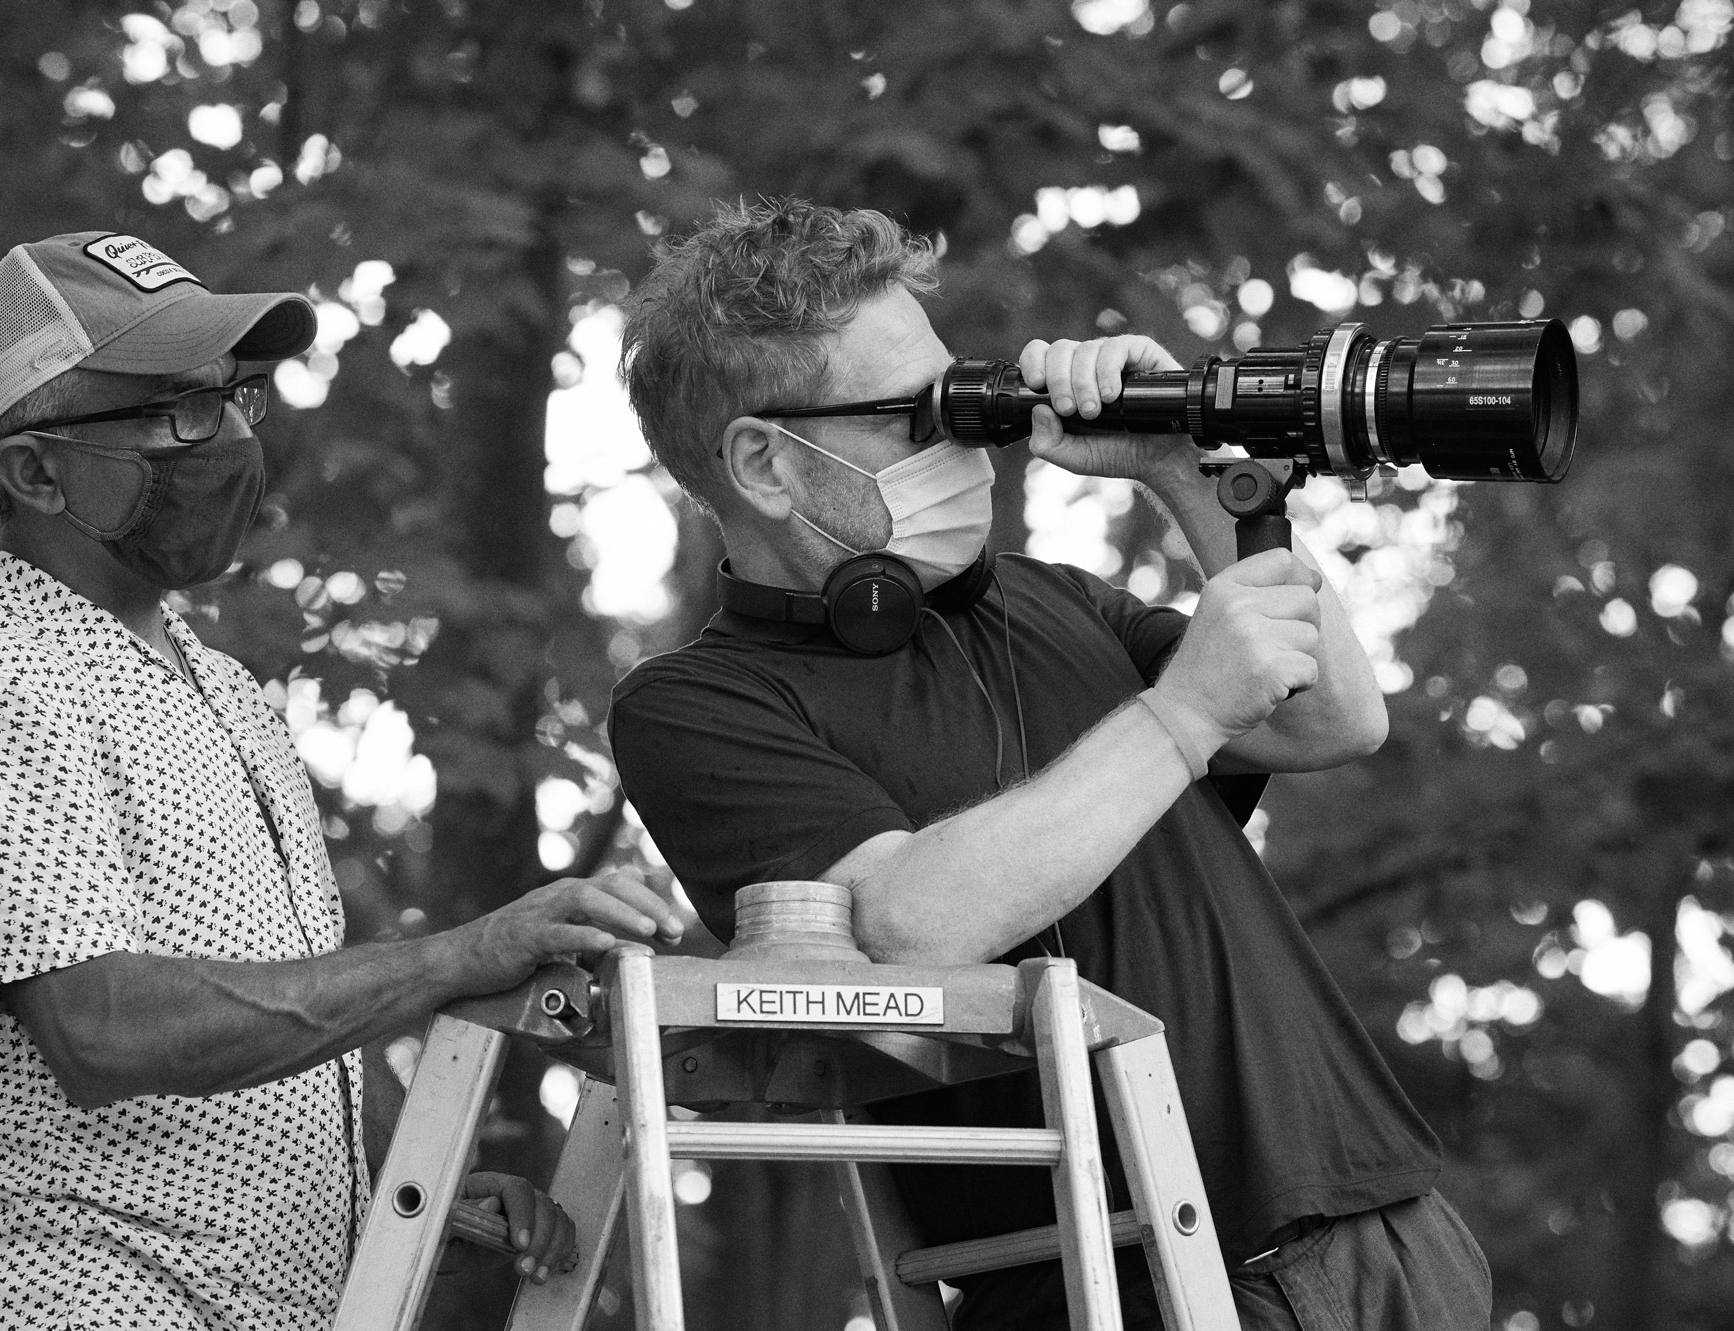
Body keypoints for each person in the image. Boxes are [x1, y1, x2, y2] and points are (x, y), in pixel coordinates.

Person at [606, 200, 1489, 1329]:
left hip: (1388, 1235)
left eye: (956, 393)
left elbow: (1327, 719)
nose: (967, 434)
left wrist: (1182, 467)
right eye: (913, 416)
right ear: (764, 464)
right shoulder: (699, 702)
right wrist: (1176, 715)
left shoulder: (1050, 598)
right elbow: (897, 928)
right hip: (1109, 1281)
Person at [0, 232, 685, 1330]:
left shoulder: (221, 685)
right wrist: (453, 958)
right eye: (177, 413)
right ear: (34, 470)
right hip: (89, 1298)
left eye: (236, 397)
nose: (234, 437)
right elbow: (103, 1025)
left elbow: (287, 993)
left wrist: (404, 1177)